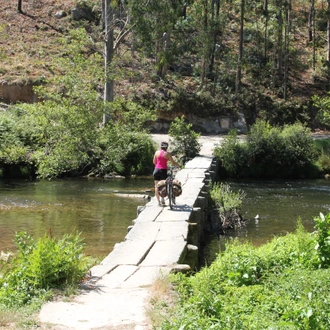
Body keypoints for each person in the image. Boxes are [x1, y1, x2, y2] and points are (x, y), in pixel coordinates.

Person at [153, 141, 180, 206]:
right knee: (164, 185)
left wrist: (158, 166)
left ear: (160, 147)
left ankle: (158, 202)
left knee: (157, 186)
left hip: (156, 170)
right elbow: (173, 162)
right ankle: (163, 198)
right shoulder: (167, 154)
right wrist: (178, 165)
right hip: (163, 171)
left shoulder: (156, 152)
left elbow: (154, 162)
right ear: (166, 147)